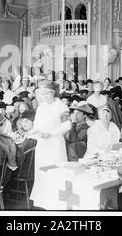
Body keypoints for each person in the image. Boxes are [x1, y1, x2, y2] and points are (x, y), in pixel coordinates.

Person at [28, 80, 71, 208]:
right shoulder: (41, 107)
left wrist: (51, 134)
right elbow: (37, 125)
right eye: (42, 94)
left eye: (47, 94)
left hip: (55, 144)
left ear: (53, 93)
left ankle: (57, 203)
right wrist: (31, 132)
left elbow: (67, 125)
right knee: (42, 172)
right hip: (42, 145)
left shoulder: (61, 107)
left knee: (56, 172)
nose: (44, 96)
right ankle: (44, 202)